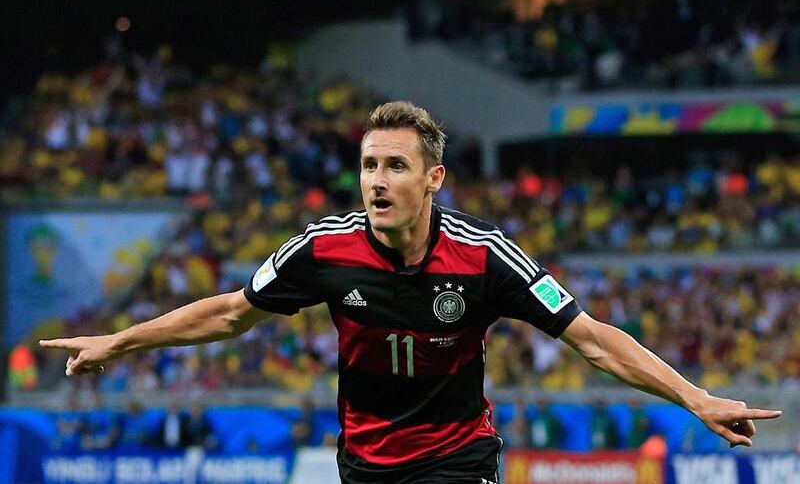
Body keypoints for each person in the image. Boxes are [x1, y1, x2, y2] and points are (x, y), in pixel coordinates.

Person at [41, 101, 781, 483]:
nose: (376, 181)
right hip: (364, 461)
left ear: (432, 179)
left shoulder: (485, 255)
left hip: (458, 455)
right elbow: (231, 311)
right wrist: (121, 339)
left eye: (395, 165)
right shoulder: (323, 248)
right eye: (368, 165)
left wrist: (693, 395)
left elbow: (589, 338)